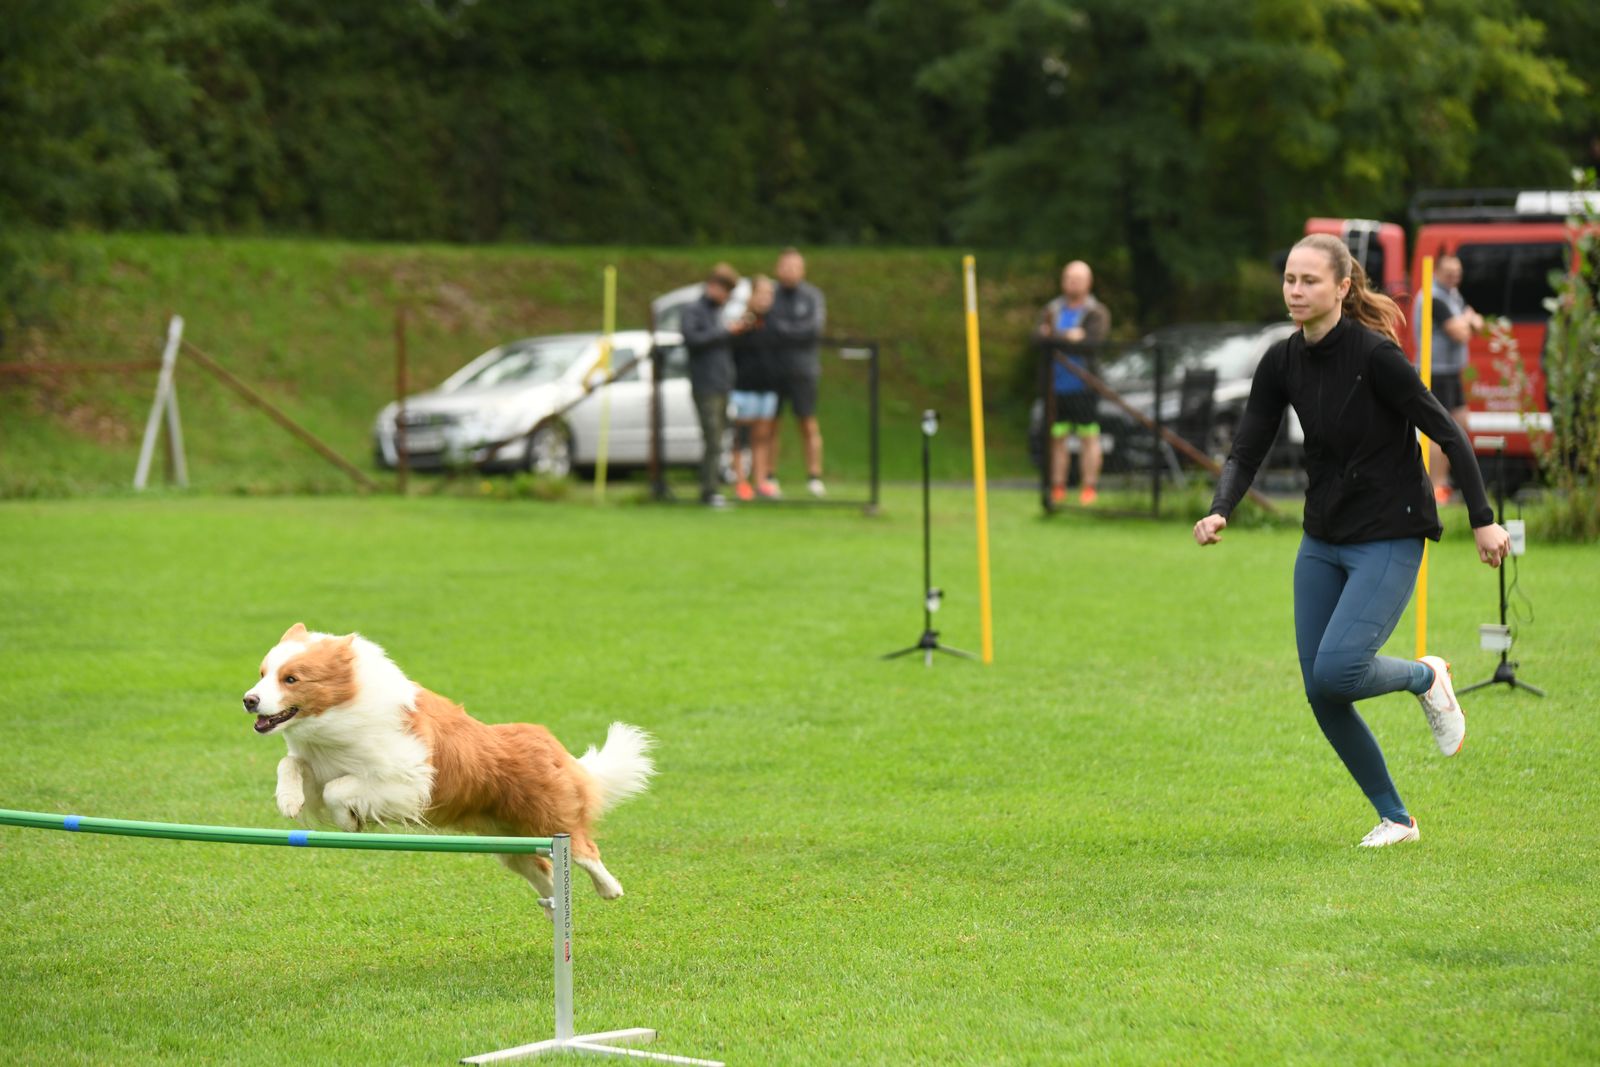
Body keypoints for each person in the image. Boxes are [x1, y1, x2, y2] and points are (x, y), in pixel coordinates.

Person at [1194, 233, 1510, 848]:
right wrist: (1220, 509)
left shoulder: (1376, 356)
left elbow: (1448, 432)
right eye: (1290, 279)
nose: (1295, 290)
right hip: (1323, 536)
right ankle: (1397, 819)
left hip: (1391, 531)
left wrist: (1483, 518)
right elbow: (1248, 446)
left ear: (1342, 287)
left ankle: (1426, 677)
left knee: (1339, 670)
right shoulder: (1281, 361)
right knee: (1322, 690)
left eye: (1309, 280)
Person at [1036, 260, 1111, 506]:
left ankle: (1088, 488)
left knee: (1088, 437)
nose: (1072, 283)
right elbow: (1038, 338)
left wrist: (1055, 337)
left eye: (1078, 279)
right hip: (1055, 388)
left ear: (1088, 282)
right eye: (1069, 278)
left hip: (1084, 387)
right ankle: (1057, 487)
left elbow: (1091, 343)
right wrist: (1069, 337)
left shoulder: (1096, 312)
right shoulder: (1052, 309)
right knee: (1058, 438)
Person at [1411, 253, 1483, 504]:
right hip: (1436, 372)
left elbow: (1477, 324)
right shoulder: (1433, 297)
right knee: (1439, 430)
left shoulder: (1453, 295)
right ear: (1438, 272)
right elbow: (1459, 333)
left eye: (1458, 273)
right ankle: (1437, 487)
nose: (1455, 277)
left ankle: (1450, 481)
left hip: (1452, 371)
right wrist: (1468, 321)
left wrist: (1468, 322)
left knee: (1461, 424)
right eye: (1450, 273)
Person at [678, 263, 750, 507]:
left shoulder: (720, 312)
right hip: (705, 385)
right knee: (713, 439)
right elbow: (692, 339)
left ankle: (713, 489)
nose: (726, 297)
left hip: (722, 384)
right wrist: (726, 332)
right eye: (725, 290)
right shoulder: (694, 310)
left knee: (720, 439)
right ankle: (709, 491)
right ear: (713, 286)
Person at [766, 248, 828, 497]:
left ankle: (814, 476)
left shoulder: (812, 296)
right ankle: (769, 475)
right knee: (771, 424)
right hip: (774, 369)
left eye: (794, 267)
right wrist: (792, 332)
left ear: (802, 270)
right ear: (777, 268)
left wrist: (787, 332)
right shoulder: (771, 294)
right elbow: (770, 327)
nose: (789, 271)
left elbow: (813, 329)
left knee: (807, 422)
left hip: (804, 370)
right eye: (785, 266)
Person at [730, 275, 779, 500]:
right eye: (761, 293)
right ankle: (741, 482)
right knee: (742, 438)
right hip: (744, 388)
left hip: (767, 387)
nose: (765, 298)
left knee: (763, 437)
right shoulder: (742, 321)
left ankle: (761, 481)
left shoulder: (774, 323)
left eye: (769, 294)